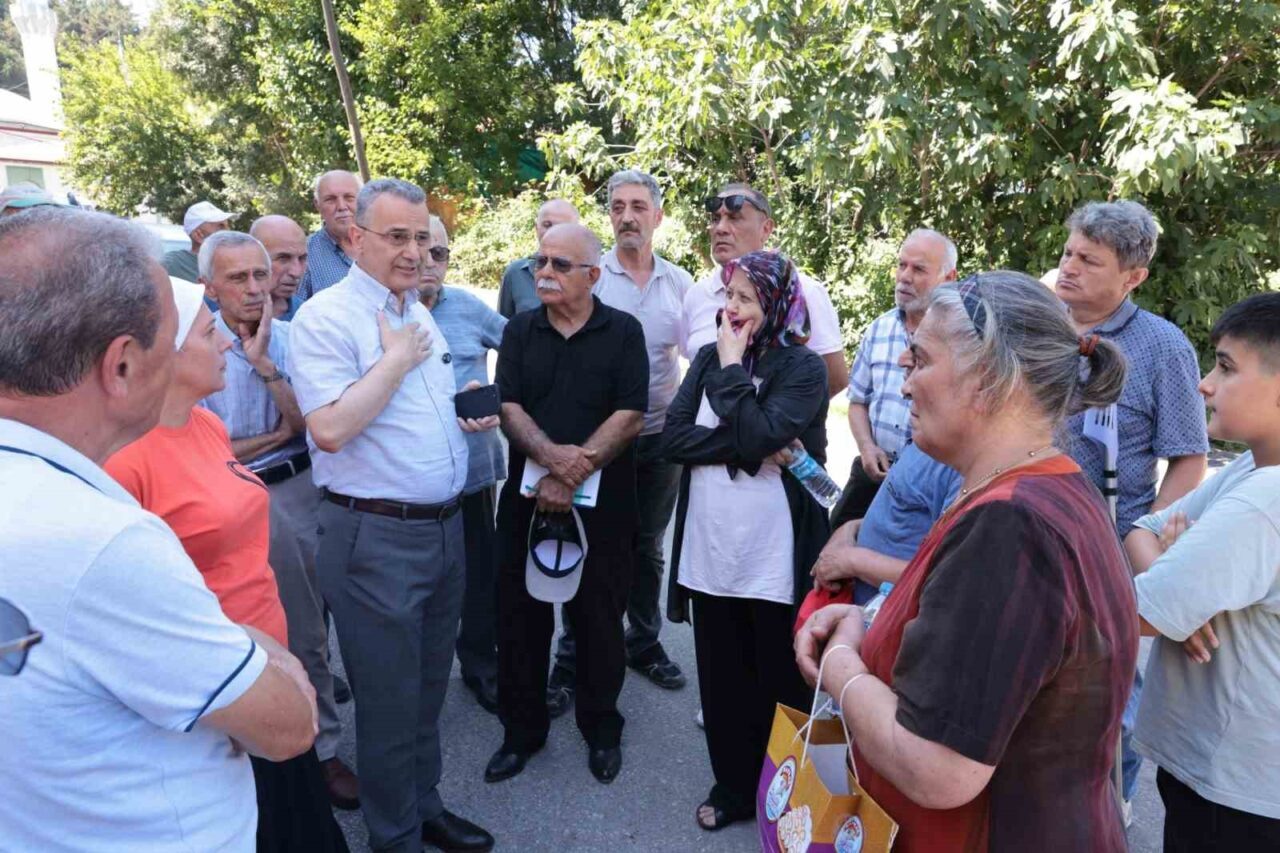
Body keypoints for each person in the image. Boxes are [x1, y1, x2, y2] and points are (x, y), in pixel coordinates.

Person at [0, 208, 314, 850]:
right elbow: (286, 725)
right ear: (120, 367)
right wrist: (264, 646)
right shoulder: (96, 539)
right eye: (182, 335)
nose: (222, 339)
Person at [796, 271, 1137, 852]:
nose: (904, 385)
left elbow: (937, 767)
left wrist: (843, 666)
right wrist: (869, 625)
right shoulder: (1039, 487)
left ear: (990, 380)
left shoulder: (1012, 524)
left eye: (921, 360)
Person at [106, 278, 347, 853]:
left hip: (269, 663)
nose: (225, 346)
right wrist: (224, 699)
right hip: (222, 685)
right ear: (163, 352)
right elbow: (143, 607)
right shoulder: (123, 463)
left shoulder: (205, 423)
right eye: (210, 332)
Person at [289, 178, 494, 853]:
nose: (413, 250)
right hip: (375, 536)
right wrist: (397, 360)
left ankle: (423, 804)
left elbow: (415, 413)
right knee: (386, 703)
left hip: (441, 530)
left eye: (420, 237)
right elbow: (330, 428)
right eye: (396, 236)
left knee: (430, 688)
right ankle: (395, 834)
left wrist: (460, 402)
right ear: (356, 238)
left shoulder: (416, 309)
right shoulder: (327, 317)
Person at [662, 250, 830, 830]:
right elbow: (674, 440)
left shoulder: (803, 369)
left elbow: (760, 431)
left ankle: (785, 790)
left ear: (776, 304)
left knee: (778, 676)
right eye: (726, 296)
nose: (730, 309)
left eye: (744, 299)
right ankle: (733, 786)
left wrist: (735, 376)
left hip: (773, 551)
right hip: (710, 547)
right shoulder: (707, 357)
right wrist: (751, 444)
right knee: (722, 674)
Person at [197, 230, 359, 810]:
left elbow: (310, 423)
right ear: (209, 286)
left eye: (260, 275)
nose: (254, 288)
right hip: (253, 498)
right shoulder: (200, 348)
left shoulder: (290, 339)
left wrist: (265, 365)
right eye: (237, 278)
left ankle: (336, 729)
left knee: (345, 613)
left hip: (311, 481)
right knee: (301, 632)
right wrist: (274, 434)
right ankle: (321, 752)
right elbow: (209, 451)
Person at [1055, 200, 1208, 811]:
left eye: (1089, 260)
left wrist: (1138, 543)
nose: (1068, 268)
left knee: (1105, 703)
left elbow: (1190, 462)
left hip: (1108, 558)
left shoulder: (1162, 347)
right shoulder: (1034, 326)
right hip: (1029, 541)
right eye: (1068, 252)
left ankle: (1105, 816)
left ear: (1133, 277)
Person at [484, 222, 648, 787]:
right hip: (528, 497)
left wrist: (576, 469)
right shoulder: (522, 331)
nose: (544, 274)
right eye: (540, 263)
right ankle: (521, 732)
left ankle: (602, 729)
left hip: (605, 505)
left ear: (593, 275)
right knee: (520, 620)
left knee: (599, 621)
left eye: (559, 265)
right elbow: (507, 405)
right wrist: (554, 460)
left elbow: (631, 413)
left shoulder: (624, 332)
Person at [1124, 293, 1280, 852]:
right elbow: (1141, 529)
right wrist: (1177, 586)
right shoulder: (1250, 467)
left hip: (1236, 791)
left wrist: (1169, 599)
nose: (1205, 383)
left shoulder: (1267, 495)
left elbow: (1133, 613)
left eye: (1227, 367)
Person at [545, 170, 695, 716]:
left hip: (656, 440)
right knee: (582, 542)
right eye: (617, 206)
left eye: (638, 206)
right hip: (596, 442)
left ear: (657, 215)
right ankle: (571, 654)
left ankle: (643, 642)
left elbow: (695, 360)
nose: (627, 216)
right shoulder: (589, 276)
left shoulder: (681, 284)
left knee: (647, 546)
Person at [419, 215, 508, 715]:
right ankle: (415, 677)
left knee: (479, 577)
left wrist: (502, 398)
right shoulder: (384, 313)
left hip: (473, 476)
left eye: (440, 253)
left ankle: (479, 666)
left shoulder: (469, 308)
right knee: (422, 585)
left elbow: (524, 349)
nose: (430, 262)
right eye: (421, 249)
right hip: (411, 483)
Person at [680, 183, 847, 397]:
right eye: (715, 219)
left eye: (734, 217)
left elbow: (834, 378)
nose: (720, 228)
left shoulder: (802, 293)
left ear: (766, 229)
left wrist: (782, 418)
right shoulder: (697, 294)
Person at [836, 229, 957, 524]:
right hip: (873, 473)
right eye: (901, 265)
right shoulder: (879, 329)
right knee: (832, 550)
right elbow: (858, 402)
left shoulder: (960, 336)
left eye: (918, 269)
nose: (905, 276)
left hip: (928, 483)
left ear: (949, 278)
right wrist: (867, 447)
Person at [812, 441, 960, 604]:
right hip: (860, 610)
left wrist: (852, 561)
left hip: (890, 618)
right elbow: (907, 519)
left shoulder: (962, 469)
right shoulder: (923, 441)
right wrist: (849, 530)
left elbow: (943, 578)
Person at [497, 198, 580, 318]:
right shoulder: (516, 274)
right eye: (547, 225)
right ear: (536, 228)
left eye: (562, 226)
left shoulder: (587, 275)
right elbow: (502, 328)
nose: (553, 232)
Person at [298, 169, 362, 301]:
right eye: (331, 200)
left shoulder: (382, 245)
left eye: (349, 197)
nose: (341, 206)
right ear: (318, 206)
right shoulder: (304, 256)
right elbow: (295, 314)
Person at [250, 214, 309, 320]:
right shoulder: (214, 312)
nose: (296, 272)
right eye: (283, 258)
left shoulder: (309, 318)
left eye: (302, 258)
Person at [163, 199, 235, 283]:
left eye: (227, 226)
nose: (228, 231)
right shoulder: (173, 263)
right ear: (198, 235)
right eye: (221, 226)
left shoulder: (235, 263)